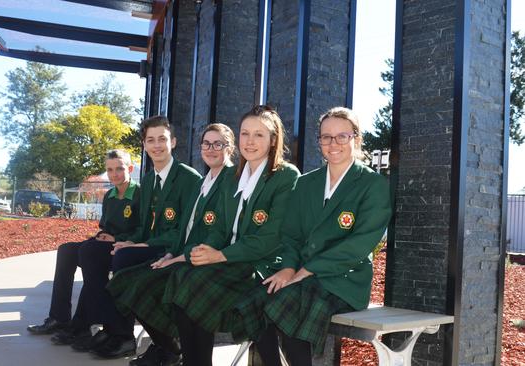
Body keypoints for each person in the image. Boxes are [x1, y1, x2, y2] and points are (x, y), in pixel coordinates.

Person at [255, 107, 392, 365]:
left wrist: (308, 269)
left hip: (344, 280)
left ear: (356, 139)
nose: (333, 143)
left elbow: (360, 245)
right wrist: (287, 268)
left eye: (342, 136)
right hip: (302, 275)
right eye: (326, 137)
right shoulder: (306, 183)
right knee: (259, 297)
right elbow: (291, 236)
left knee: (292, 304)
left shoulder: (372, 185)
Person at [164, 105, 300, 366]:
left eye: (259, 135)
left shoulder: (285, 176)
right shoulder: (234, 176)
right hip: (232, 260)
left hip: (263, 264)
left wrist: (220, 255)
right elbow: (221, 229)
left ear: (273, 140)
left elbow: (271, 238)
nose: (250, 141)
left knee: (195, 285)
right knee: (182, 275)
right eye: (245, 134)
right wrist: (204, 250)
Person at [108, 123, 236, 366]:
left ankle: (182, 355)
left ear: (230, 148)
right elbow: (186, 229)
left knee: (165, 286)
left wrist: (181, 257)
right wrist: (170, 254)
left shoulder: (230, 179)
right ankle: (170, 349)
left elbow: (217, 231)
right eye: (206, 144)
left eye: (218, 144)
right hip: (183, 255)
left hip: (207, 261)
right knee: (129, 285)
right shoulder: (205, 180)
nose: (211, 149)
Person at [87, 115, 202, 359]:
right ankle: (119, 332)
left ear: (173, 142)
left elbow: (184, 230)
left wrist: (142, 244)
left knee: (123, 261)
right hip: (150, 245)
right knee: (102, 252)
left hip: (173, 248)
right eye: (151, 140)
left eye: (162, 139)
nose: (157, 145)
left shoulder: (189, 178)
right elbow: (143, 225)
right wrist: (129, 241)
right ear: (144, 145)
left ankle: (166, 345)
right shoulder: (148, 180)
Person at [27, 149, 140, 343]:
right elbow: (105, 226)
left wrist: (116, 238)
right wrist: (103, 235)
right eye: (110, 170)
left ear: (129, 168)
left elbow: (143, 229)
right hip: (105, 245)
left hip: (125, 247)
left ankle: (83, 324)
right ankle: (59, 318)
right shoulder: (110, 196)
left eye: (119, 169)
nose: (114, 174)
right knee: (66, 251)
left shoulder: (139, 194)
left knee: (90, 254)